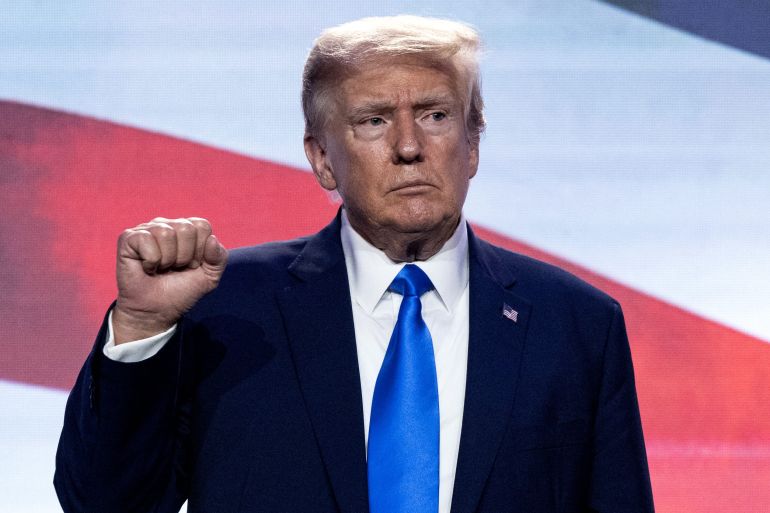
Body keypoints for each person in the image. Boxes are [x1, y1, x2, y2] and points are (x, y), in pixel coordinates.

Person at [55, 15, 654, 513]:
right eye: (372, 120)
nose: (409, 146)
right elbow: (104, 503)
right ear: (321, 159)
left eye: (436, 114)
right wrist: (140, 329)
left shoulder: (576, 325)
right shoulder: (226, 309)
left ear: (473, 144)